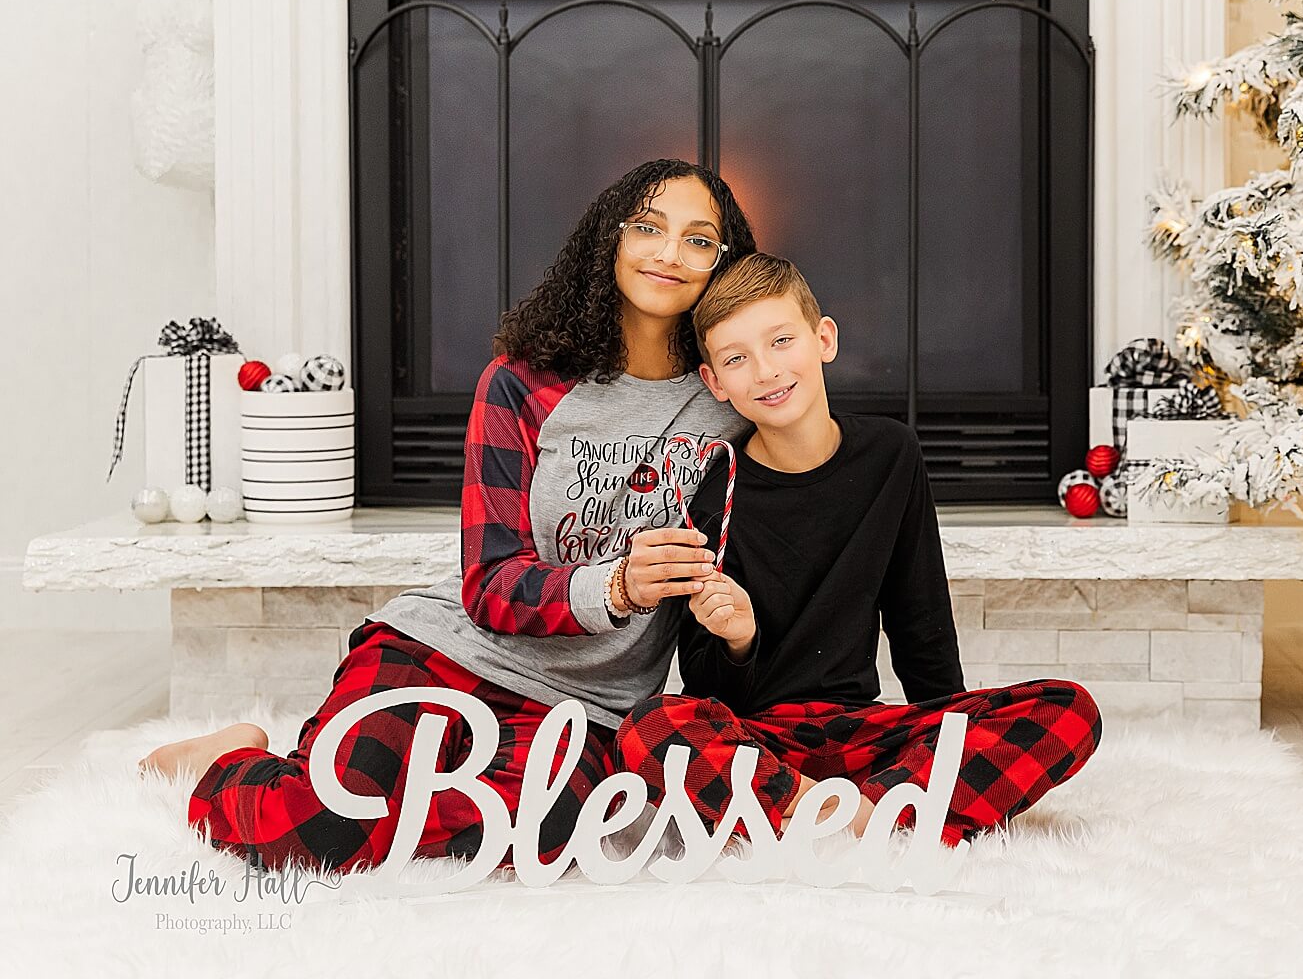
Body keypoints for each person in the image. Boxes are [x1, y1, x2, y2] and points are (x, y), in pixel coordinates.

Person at [139, 159, 759, 871]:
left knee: (545, 834)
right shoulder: (522, 383)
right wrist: (615, 586)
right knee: (324, 834)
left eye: (699, 239)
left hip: (589, 703)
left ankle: (383, 785)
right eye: (648, 228)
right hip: (448, 651)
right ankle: (229, 759)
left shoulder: (729, 403)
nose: (670, 253)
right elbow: (491, 584)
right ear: (609, 240)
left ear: (723, 263)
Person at [614, 253, 1102, 847]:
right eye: (737, 359)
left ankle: (848, 817)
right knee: (650, 726)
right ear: (715, 380)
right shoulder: (710, 491)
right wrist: (739, 636)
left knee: (1069, 709)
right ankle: (852, 815)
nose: (766, 371)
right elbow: (709, 692)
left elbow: (920, 621)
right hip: (762, 739)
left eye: (781, 341)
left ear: (824, 339)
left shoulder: (890, 455)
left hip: (866, 732)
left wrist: (945, 728)